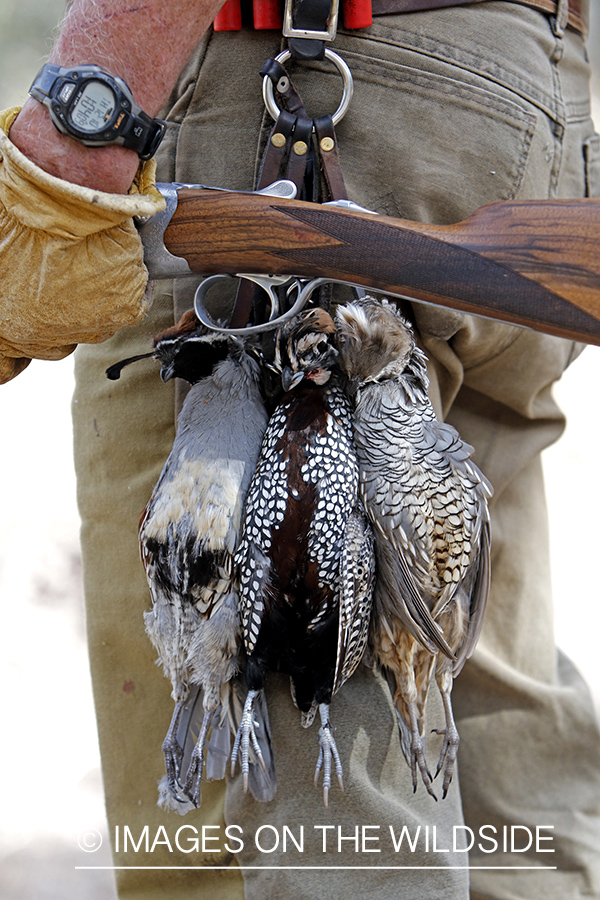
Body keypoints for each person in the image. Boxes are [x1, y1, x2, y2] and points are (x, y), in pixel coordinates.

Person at [1, 1, 599, 898]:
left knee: (269, 835)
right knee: (502, 786)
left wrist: (83, 125)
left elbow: (89, 125)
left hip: (301, 94)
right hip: (526, 99)